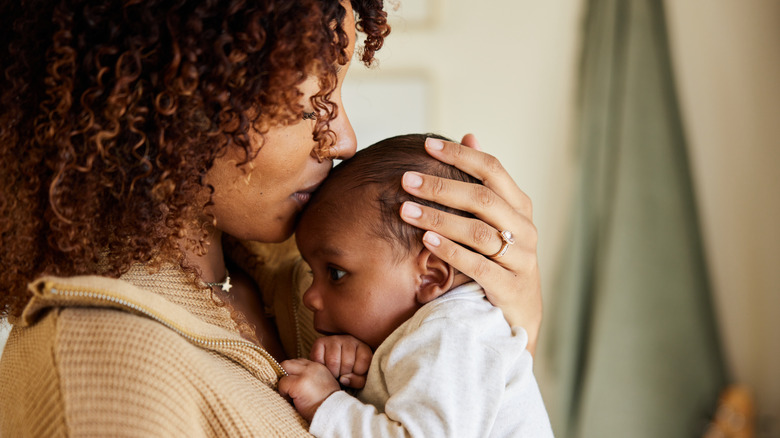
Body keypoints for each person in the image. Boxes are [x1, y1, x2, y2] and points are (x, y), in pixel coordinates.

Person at [0, 1, 543, 436]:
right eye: (310, 106)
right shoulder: (102, 374)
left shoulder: (314, 272)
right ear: (180, 98)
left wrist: (506, 326)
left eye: (340, 95)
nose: (344, 141)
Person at [279, 134, 554, 437]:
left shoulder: (453, 332)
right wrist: (368, 370)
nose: (309, 298)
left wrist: (327, 404)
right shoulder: (442, 331)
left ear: (431, 276)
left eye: (336, 274)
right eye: (310, 274)